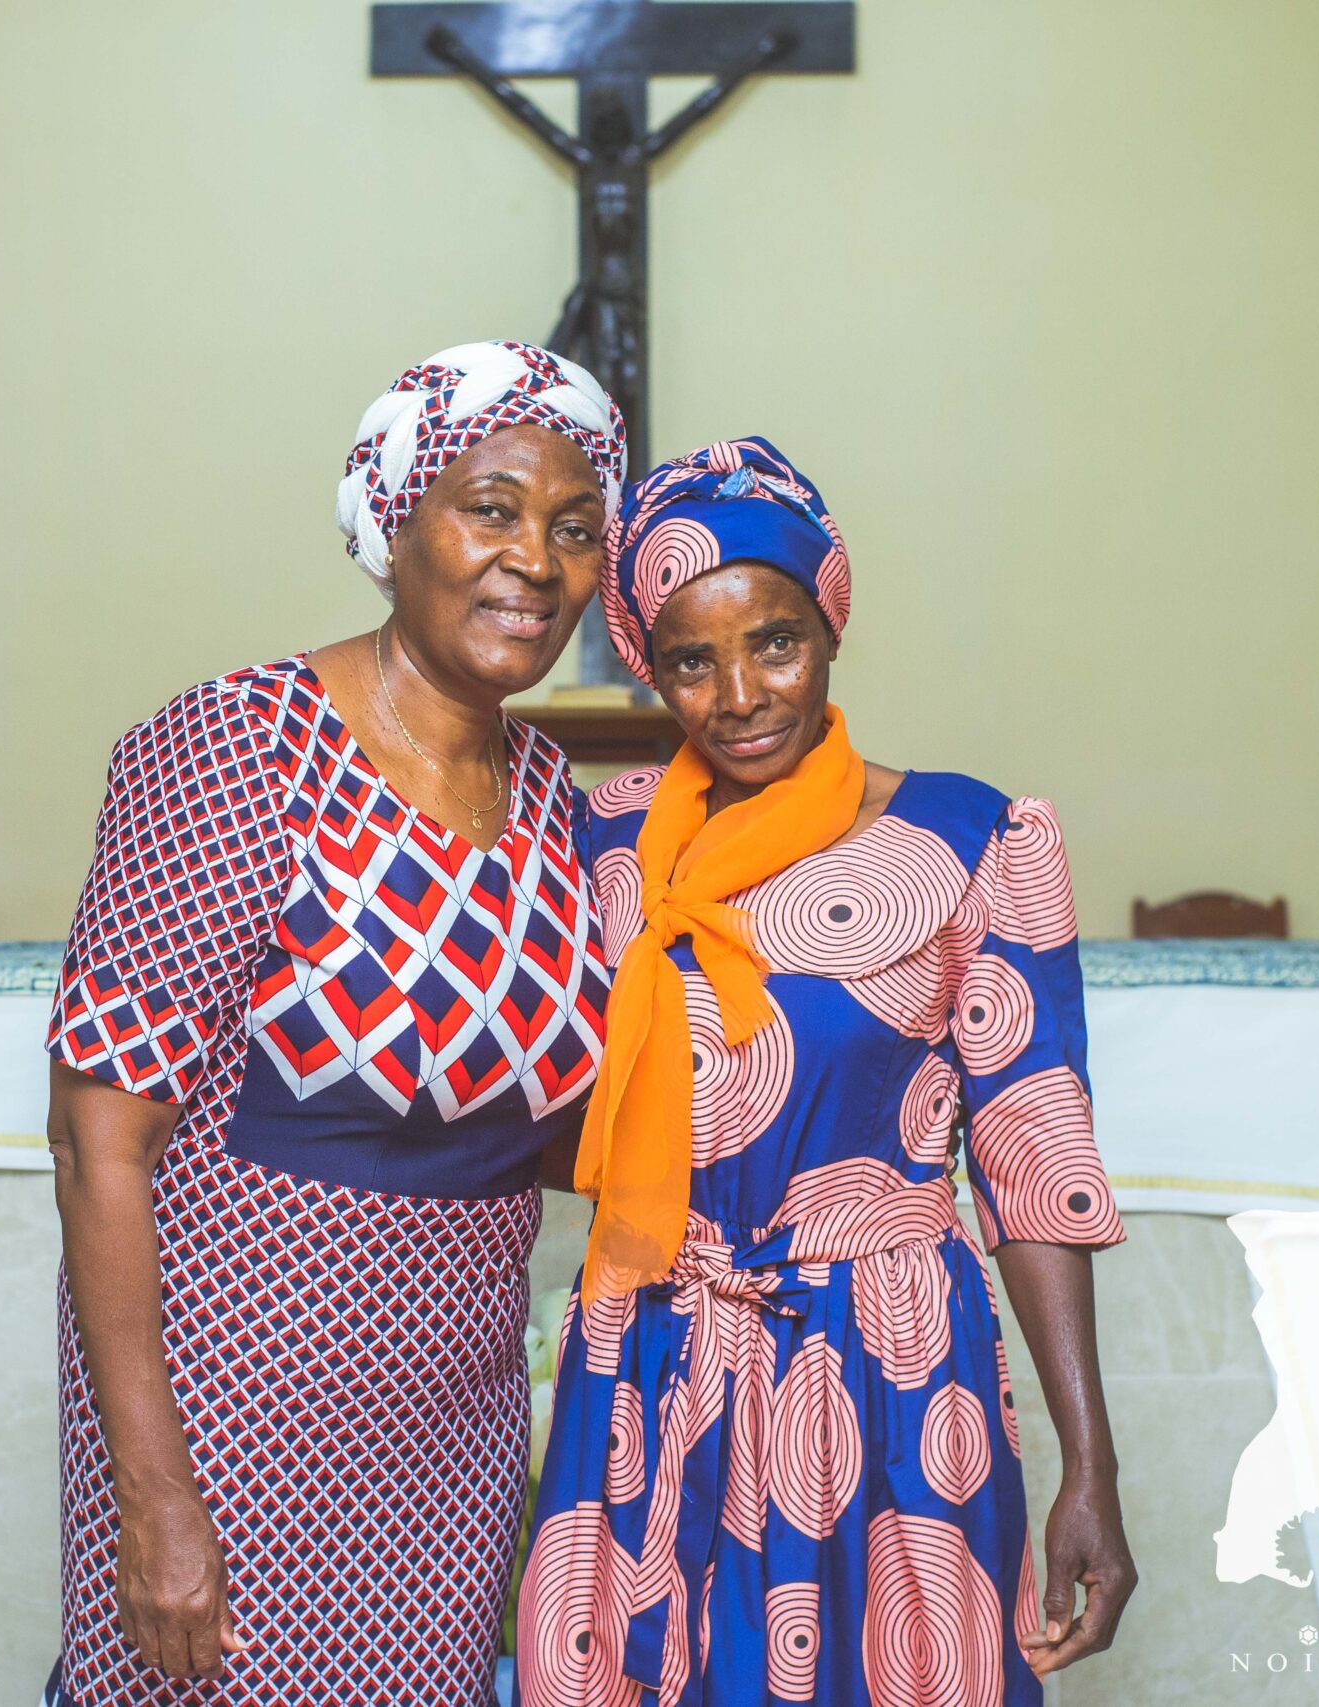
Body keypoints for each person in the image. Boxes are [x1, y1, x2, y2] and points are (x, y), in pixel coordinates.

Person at [43, 341, 627, 1704]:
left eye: (573, 528)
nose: (534, 562)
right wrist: (153, 1495)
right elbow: (95, 1143)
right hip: (232, 1428)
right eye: (490, 510)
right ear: (395, 527)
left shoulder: (556, 797)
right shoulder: (238, 747)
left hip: (454, 1440)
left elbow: (536, 1121)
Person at [518, 437, 1137, 1707]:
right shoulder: (599, 841)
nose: (740, 694)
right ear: (649, 668)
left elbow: (1032, 1166)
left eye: (776, 642)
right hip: (649, 1350)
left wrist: (1091, 1464)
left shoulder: (967, 840)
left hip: (886, 1363)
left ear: (830, 629)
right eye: (691, 660)